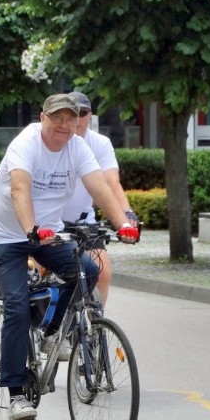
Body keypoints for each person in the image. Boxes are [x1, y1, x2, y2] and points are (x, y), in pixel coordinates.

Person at [0, 93, 139, 420]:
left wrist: (123, 223)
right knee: (17, 305)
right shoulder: (26, 143)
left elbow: (99, 187)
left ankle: (51, 332)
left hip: (47, 234)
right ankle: (15, 395)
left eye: (71, 118)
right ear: (43, 117)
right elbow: (19, 189)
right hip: (9, 237)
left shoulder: (76, 147)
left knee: (87, 269)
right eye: (58, 118)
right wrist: (31, 229)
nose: (65, 125)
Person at [61, 92, 138, 307]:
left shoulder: (100, 144)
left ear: (90, 116)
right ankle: (45, 326)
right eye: (72, 113)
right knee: (43, 272)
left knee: (102, 272)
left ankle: (94, 323)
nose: (78, 118)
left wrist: (126, 214)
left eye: (82, 113)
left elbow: (111, 182)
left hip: (84, 221)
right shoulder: (56, 140)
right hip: (52, 222)